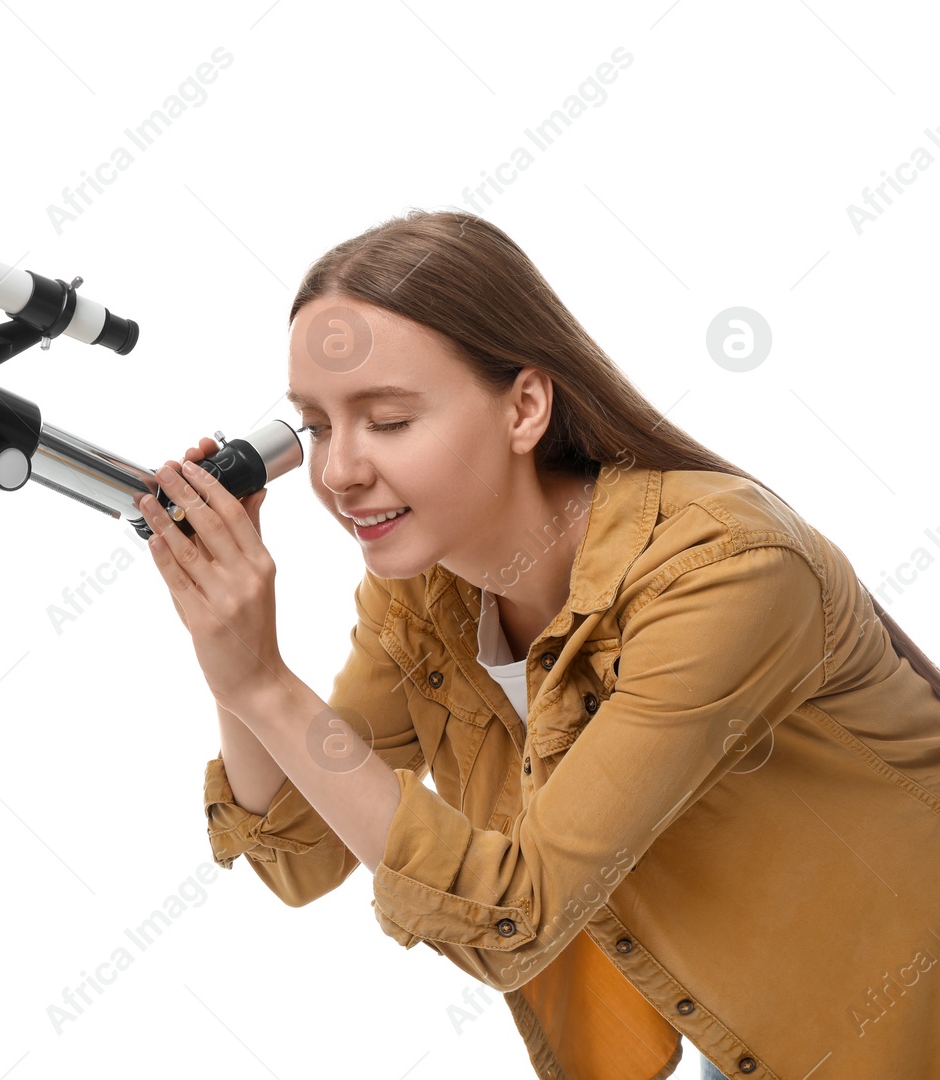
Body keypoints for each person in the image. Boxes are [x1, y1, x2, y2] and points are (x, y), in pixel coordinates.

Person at [131, 210, 940, 1080]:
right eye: (319, 426)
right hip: (756, 1031)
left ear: (524, 407)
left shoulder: (726, 572)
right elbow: (298, 851)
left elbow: (512, 910)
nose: (339, 473)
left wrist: (263, 684)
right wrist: (230, 659)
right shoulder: (424, 594)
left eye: (390, 421)